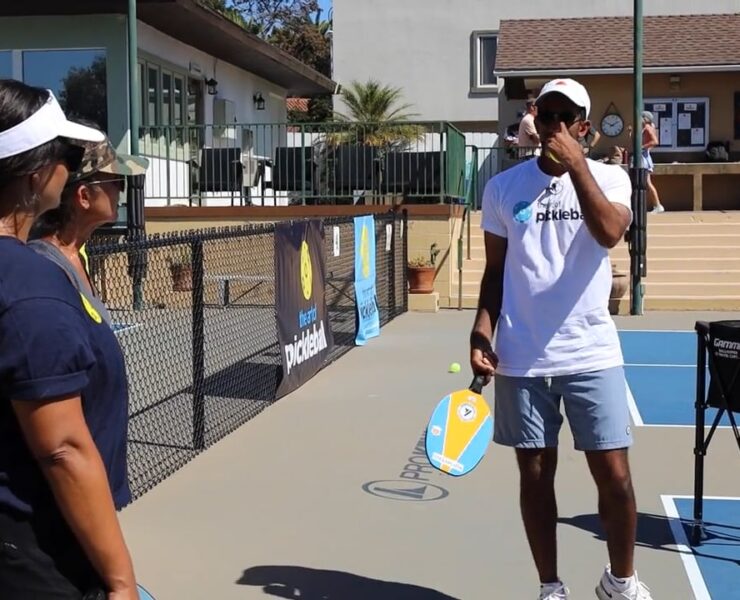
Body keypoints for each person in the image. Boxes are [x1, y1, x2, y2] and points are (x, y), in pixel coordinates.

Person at [470, 78, 653, 600]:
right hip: (522, 358)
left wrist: (576, 167)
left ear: (583, 128)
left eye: (563, 117)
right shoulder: (503, 188)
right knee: (534, 476)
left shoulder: (611, 179)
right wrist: (482, 329)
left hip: (591, 352)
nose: (552, 125)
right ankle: (551, 587)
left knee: (615, 477)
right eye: (544, 115)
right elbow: (495, 273)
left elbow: (611, 233)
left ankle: (620, 582)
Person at [0, 80, 139, 599]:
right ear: (38, 174)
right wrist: (121, 581)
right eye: (65, 154)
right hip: (34, 549)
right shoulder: (28, 285)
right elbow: (62, 449)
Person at [29, 136, 148, 326]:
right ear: (84, 196)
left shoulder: (77, 251)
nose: (121, 191)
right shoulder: (45, 264)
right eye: (117, 182)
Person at [629, 112, 664, 213]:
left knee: (647, 183)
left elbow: (655, 141)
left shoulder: (648, 127)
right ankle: (655, 205)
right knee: (641, 182)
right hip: (642, 156)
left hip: (643, 158)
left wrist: (642, 147)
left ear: (645, 118)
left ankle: (657, 205)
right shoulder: (644, 128)